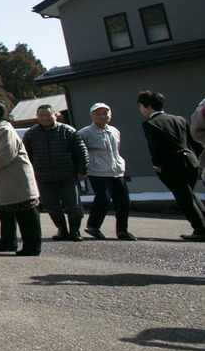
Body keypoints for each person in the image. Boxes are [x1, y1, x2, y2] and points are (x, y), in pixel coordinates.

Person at [0, 101, 42, 256]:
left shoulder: (4, 130)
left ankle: (32, 246)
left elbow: (5, 155)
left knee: (26, 214)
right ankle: (8, 243)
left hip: (16, 178)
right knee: (5, 213)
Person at [138, 90, 205, 241]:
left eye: (141, 106)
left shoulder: (150, 123)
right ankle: (202, 226)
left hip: (172, 165)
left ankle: (200, 230)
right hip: (191, 160)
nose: (140, 109)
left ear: (148, 106)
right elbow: (194, 141)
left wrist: (157, 165)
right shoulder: (179, 119)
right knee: (189, 195)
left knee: (185, 199)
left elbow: (154, 147)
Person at [23, 104, 88, 242]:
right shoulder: (31, 134)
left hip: (67, 176)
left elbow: (81, 152)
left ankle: (75, 231)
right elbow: (25, 156)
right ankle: (62, 230)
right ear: (37, 117)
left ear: (55, 116)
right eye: (41, 116)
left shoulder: (68, 131)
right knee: (51, 206)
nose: (44, 118)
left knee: (73, 205)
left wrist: (82, 171)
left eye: (48, 115)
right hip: (43, 177)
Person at [77, 102, 135, 241]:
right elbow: (78, 152)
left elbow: (116, 150)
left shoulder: (114, 131)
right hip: (97, 171)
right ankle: (93, 226)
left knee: (123, 201)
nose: (102, 116)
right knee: (103, 198)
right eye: (98, 114)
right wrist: (82, 169)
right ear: (92, 116)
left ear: (110, 115)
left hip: (116, 170)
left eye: (105, 113)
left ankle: (122, 230)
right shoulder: (84, 133)